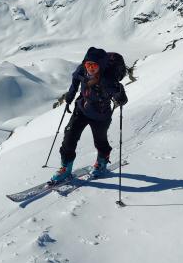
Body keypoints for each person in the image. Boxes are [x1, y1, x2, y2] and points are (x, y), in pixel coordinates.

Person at [51, 47, 128, 183]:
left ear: (101, 66)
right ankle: (65, 169)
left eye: (94, 65)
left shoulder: (107, 79)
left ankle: (102, 162)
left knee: (100, 141)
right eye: (88, 64)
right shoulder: (82, 70)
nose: (91, 68)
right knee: (69, 136)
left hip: (101, 114)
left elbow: (119, 96)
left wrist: (121, 96)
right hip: (81, 109)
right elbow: (75, 79)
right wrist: (70, 95)